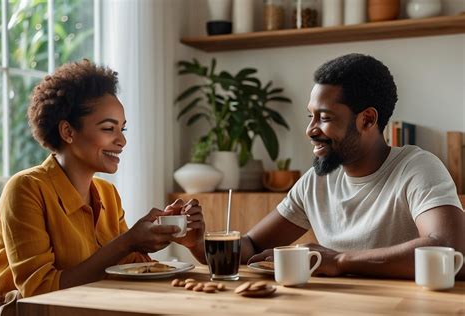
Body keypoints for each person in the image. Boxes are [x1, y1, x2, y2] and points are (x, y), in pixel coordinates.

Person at [193, 53, 465, 279]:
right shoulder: (316, 181)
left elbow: (448, 247)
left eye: (324, 117)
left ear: (367, 120)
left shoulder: (418, 168)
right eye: (311, 116)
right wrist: (198, 243)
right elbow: (252, 246)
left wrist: (340, 260)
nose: (310, 130)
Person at [0, 60, 206, 307]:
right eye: (108, 128)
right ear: (68, 132)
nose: (122, 141)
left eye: (122, 129)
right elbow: (39, 293)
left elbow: (128, 270)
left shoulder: (107, 193)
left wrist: (176, 238)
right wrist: (127, 242)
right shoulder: (25, 189)